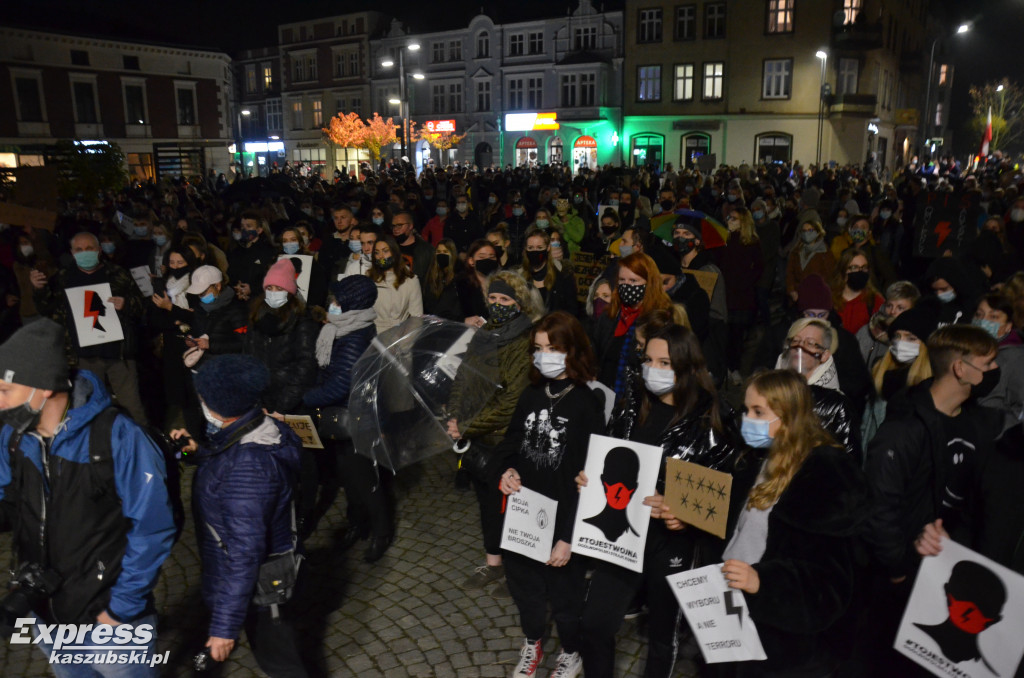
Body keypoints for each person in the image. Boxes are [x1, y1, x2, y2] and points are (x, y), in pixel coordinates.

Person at [0, 319, 176, 674]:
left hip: (111, 622)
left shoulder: (119, 437)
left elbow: (152, 529)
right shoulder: (12, 437)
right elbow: (8, 504)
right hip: (50, 617)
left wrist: (120, 610)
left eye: (5, 390)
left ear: (44, 388)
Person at [578, 324, 743, 678]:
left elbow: (726, 489)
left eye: (665, 362)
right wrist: (590, 480)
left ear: (687, 366)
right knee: (594, 623)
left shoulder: (712, 417)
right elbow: (612, 453)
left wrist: (683, 511)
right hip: (622, 533)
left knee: (662, 639)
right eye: (648, 360)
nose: (653, 369)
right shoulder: (632, 403)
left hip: (671, 544)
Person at [862, 325, 1003, 676]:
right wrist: (897, 570)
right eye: (987, 364)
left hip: (945, 575)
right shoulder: (904, 429)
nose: (993, 372)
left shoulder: (977, 426)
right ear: (960, 368)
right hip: (900, 581)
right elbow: (879, 506)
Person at [720, 369, 870, 677]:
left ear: (788, 416)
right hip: (736, 611)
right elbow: (735, 527)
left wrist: (763, 583)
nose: (747, 419)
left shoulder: (824, 476)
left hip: (783, 644)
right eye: (746, 410)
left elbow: (828, 587)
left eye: (758, 412)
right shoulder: (759, 457)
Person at [173, 354, 309, 677]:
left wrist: (223, 628)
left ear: (220, 404)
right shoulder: (261, 428)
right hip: (255, 583)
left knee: (281, 664)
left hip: (262, 590)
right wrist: (201, 451)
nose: (201, 403)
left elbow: (244, 554)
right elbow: (233, 459)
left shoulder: (247, 468)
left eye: (204, 398)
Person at [497, 312, 604, 678]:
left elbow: (591, 479)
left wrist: (568, 537)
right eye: (538, 348)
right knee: (524, 587)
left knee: (565, 597)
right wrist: (507, 470)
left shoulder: (587, 405)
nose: (544, 356)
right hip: (524, 512)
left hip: (562, 518)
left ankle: (572, 652)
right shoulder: (530, 394)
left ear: (572, 350)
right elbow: (510, 444)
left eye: (553, 348)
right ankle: (533, 642)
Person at [448, 271, 539, 593]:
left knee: (510, 505)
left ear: (519, 303)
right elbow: (463, 377)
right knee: (486, 504)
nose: (498, 304)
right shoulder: (484, 333)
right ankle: (494, 563)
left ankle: (519, 570)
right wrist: (454, 415)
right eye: (494, 298)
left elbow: (513, 399)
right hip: (476, 436)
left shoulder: (524, 339)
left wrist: (467, 425)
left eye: (506, 299)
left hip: (504, 437)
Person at [302, 276, 393, 561]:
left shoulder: (354, 336)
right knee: (349, 476)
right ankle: (358, 523)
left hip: (354, 418)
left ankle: (381, 531)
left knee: (364, 478)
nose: (333, 305)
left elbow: (341, 384)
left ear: (352, 304)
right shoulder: (343, 328)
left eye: (338, 301)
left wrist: (305, 399)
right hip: (342, 418)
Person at [31, 231, 149, 425]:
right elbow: (47, 310)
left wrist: (126, 304)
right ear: (72, 252)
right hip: (84, 357)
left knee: (132, 407)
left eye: (89, 249)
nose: (84, 253)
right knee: (87, 408)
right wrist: (38, 290)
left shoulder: (117, 274)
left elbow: (141, 306)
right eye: (79, 249)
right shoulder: (63, 278)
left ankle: (141, 447)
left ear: (99, 250)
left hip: (119, 354)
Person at [589, 252, 674, 396]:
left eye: (634, 281)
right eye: (622, 280)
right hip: (604, 397)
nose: (627, 286)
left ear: (649, 283)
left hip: (639, 399)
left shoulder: (659, 320)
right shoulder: (609, 316)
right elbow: (595, 354)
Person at [244, 259, 319, 418]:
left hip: (289, 404)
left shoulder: (302, 321)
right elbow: (248, 358)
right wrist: (257, 402)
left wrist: (283, 406)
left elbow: (306, 366)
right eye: (269, 288)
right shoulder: (256, 317)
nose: (273, 292)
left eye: (279, 288)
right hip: (261, 400)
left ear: (289, 291)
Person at [718, 207, 764, 383]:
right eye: (729, 217)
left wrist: (746, 282)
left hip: (742, 297)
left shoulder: (752, 242)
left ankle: (734, 368)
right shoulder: (724, 239)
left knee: (737, 336)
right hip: (725, 294)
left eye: (734, 218)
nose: (730, 220)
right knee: (724, 334)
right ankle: (724, 367)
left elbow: (759, 267)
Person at [972, 290, 1024, 436]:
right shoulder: (965, 351)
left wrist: (999, 431)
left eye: (993, 317)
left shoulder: (1016, 358)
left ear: (1008, 326)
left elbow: (1020, 408)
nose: (983, 321)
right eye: (979, 315)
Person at [856, 280, 919, 372]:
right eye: (889, 306)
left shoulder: (918, 338)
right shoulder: (865, 332)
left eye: (900, 308)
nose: (892, 311)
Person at [368, 234, 423, 334]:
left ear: (394, 252)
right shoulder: (369, 279)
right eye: (377, 252)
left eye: (385, 251)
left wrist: (406, 343)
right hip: (374, 337)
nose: (381, 256)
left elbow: (417, 318)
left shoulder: (410, 280)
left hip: (400, 338)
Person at [521, 226, 578, 316]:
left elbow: (571, 311)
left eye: (539, 248)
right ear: (525, 249)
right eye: (530, 248)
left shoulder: (563, 278)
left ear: (548, 248)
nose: (535, 251)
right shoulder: (519, 278)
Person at [830, 248, 883, 335]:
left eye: (864, 267)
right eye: (854, 267)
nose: (860, 272)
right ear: (843, 271)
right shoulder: (829, 300)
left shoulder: (875, 301)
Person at [785, 217, 836, 303]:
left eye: (810, 230)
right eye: (804, 231)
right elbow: (790, 272)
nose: (806, 233)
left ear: (818, 232)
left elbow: (830, 275)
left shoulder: (825, 253)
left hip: (818, 297)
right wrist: (792, 290)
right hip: (798, 296)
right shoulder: (796, 251)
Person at [278, 227, 327, 308]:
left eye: (293, 240)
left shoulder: (313, 265)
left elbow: (319, 294)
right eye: (285, 241)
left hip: (305, 312)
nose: (289, 243)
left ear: (300, 243)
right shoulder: (276, 264)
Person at [456, 239, 500, 327]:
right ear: (471, 261)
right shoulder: (460, 284)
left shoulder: (502, 284)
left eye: (492, 257)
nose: (487, 260)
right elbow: (443, 314)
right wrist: (464, 320)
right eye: (482, 257)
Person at [422, 238, 462, 321]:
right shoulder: (431, 274)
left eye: (445, 252)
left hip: (454, 321)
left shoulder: (460, 275)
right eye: (439, 252)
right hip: (434, 320)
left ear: (452, 254)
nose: (441, 255)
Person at [391, 209, 434, 282]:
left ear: (410, 226)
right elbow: (382, 262)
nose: (395, 229)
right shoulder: (389, 248)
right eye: (393, 226)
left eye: (399, 225)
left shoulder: (427, 250)